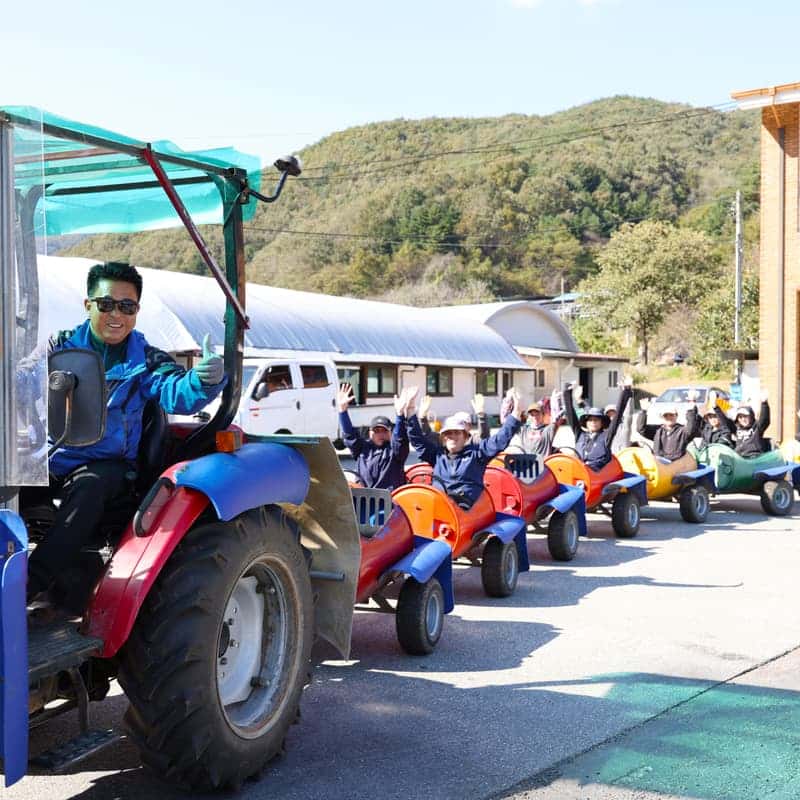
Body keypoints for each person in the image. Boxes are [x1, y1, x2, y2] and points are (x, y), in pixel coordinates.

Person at [21, 261, 227, 607]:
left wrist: (203, 380)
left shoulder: (146, 360)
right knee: (9, 482)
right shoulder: (59, 347)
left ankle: (26, 586)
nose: (115, 314)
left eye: (126, 306)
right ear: (88, 305)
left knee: (89, 489)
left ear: (136, 311)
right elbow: (23, 383)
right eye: (106, 304)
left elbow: (176, 392)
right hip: (53, 455)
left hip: (108, 466)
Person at [405, 387, 522, 509]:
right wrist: (411, 410)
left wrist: (516, 413)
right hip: (439, 506)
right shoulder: (437, 455)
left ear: (465, 437)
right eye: (448, 433)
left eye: (457, 433)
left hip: (467, 509)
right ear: (443, 438)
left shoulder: (477, 454)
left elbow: (500, 439)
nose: (452, 437)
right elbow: (417, 440)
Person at [337, 383, 412, 491]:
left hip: (389, 499)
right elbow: (350, 436)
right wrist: (342, 411)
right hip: (364, 497)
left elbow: (400, 439)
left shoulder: (395, 452)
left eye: (384, 430)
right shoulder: (362, 448)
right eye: (376, 431)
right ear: (370, 433)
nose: (381, 434)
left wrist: (400, 415)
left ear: (390, 433)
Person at [564, 378, 632, 471]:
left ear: (602, 423)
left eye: (596, 420)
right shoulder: (580, 434)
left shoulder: (606, 436)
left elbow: (618, 415)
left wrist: (626, 391)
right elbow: (570, 414)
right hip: (579, 471)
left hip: (598, 474)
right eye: (590, 420)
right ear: (586, 423)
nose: (593, 422)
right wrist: (567, 392)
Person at [636, 394, 700, 463]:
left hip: (676, 464)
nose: (669, 417)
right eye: (666, 415)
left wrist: (691, 410)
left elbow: (692, 428)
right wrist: (643, 411)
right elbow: (641, 429)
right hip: (659, 464)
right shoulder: (657, 430)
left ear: (676, 416)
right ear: (662, 417)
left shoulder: (682, 431)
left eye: (671, 415)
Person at [500, 390, 562, 457]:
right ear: (528, 417)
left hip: (543, 462)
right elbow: (506, 422)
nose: (535, 417)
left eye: (537, 414)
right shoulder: (523, 430)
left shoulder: (548, 430)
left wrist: (555, 399)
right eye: (532, 415)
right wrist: (508, 399)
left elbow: (557, 418)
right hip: (527, 462)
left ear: (543, 415)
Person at [713, 391, 771, 457]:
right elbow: (725, 422)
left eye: (745, 416)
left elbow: (764, 419)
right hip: (739, 458)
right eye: (740, 417)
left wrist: (764, 403)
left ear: (751, 417)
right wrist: (716, 408)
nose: (743, 419)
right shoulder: (736, 428)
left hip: (753, 457)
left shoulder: (757, 428)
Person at [419, 393, 490, 445]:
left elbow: (484, 437)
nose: (453, 434)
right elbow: (427, 435)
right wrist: (423, 417)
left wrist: (481, 416)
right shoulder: (445, 439)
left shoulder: (473, 441)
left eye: (462, 423)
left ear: (469, 426)